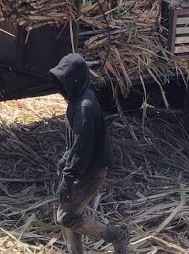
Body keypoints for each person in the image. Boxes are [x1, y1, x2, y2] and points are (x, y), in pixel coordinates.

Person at [50, 53, 129, 254]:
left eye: (64, 81)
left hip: (92, 170)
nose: (61, 87)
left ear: (74, 80)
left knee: (66, 217)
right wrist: (65, 162)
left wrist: (68, 177)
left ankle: (117, 235)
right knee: (68, 213)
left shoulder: (85, 106)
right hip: (84, 167)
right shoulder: (78, 99)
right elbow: (76, 145)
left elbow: (81, 147)